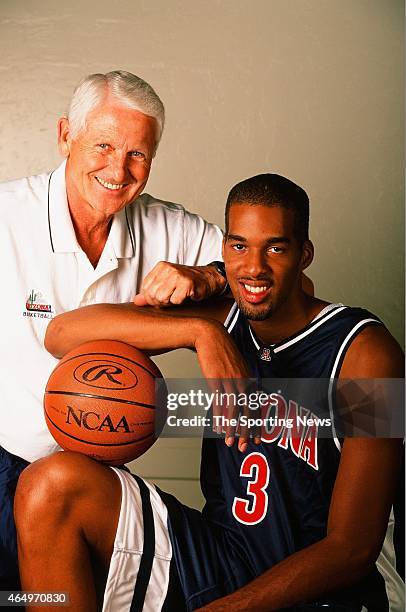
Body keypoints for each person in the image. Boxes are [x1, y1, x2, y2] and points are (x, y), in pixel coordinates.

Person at [15, 174, 404, 611]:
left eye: (275, 247)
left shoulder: (368, 354)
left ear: (303, 255)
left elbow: (352, 550)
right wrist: (199, 332)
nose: (254, 267)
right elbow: (62, 333)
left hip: (325, 585)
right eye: (239, 246)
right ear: (223, 253)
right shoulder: (224, 316)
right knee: (49, 485)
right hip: (222, 558)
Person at [0, 69, 229, 591]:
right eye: (103, 145)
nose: (118, 169)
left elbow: (273, 278)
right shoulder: (6, 216)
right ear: (65, 136)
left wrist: (206, 276)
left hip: (95, 483)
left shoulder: (170, 226)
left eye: (138, 155)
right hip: (5, 456)